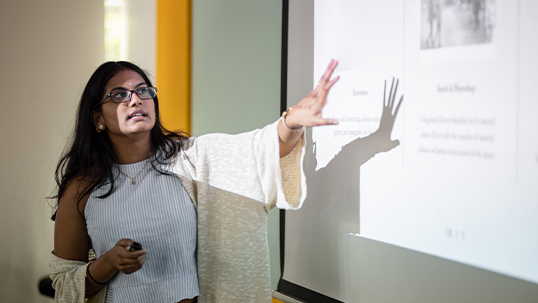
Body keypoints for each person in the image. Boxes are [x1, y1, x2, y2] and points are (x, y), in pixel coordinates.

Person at [50, 60, 339, 303]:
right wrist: (107, 263)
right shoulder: (82, 189)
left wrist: (291, 122)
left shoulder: (193, 159)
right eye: (119, 95)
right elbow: (64, 284)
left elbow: (261, 149)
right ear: (98, 118)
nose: (136, 99)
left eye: (142, 91)